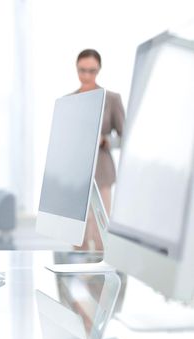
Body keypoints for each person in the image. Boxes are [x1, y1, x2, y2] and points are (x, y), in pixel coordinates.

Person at [73, 49, 125, 250]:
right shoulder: (70, 100)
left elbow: (124, 138)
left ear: (99, 70)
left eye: (92, 71)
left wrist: (104, 140)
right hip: (77, 173)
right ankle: (77, 277)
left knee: (100, 230)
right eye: (82, 70)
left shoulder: (111, 99)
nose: (86, 76)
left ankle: (104, 277)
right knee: (79, 233)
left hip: (102, 172)